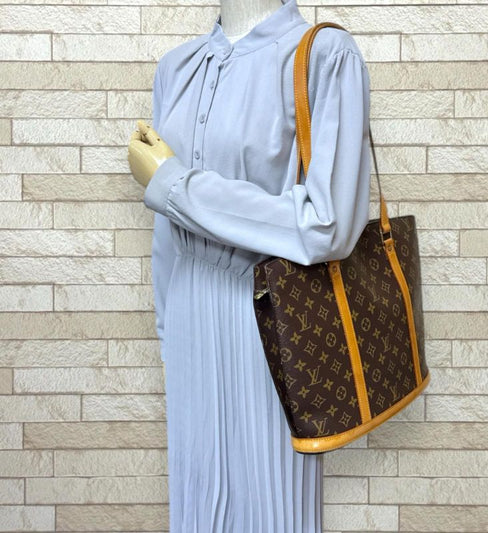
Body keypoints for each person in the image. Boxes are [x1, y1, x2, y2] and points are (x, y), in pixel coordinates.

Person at [127, 0, 371, 530]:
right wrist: (169, 330)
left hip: (271, 315)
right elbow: (167, 228)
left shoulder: (324, 55)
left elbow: (329, 224)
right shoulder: (176, 68)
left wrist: (176, 187)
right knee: (198, 503)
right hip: (189, 313)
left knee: (273, 505)